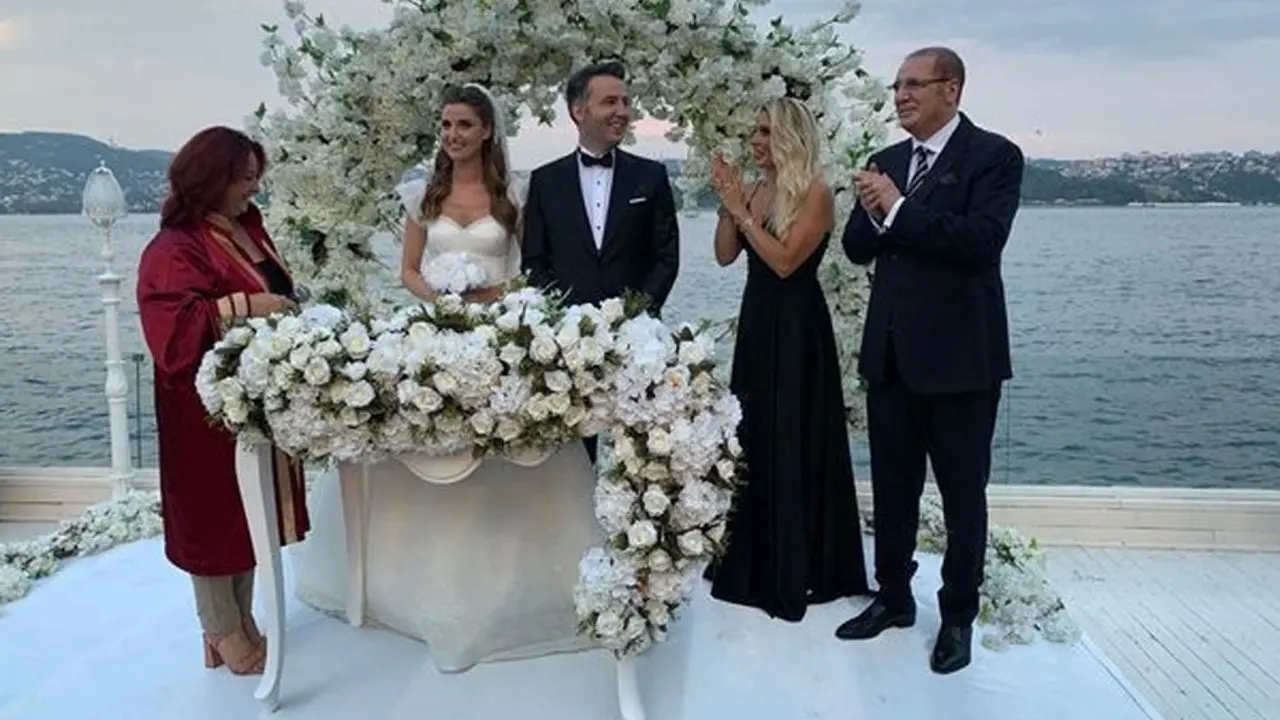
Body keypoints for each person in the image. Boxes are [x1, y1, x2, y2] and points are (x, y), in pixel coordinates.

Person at [291, 83, 604, 673]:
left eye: (463, 125)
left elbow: (528, 271)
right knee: (426, 442)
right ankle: (405, 585)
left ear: (486, 131)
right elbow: (409, 271)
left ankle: (517, 581)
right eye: (446, 125)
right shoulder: (423, 195)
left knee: (503, 448)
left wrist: (487, 294)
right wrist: (441, 294)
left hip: (498, 333)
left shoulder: (513, 195)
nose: (453, 135)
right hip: (435, 329)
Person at [835, 46, 1024, 675]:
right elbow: (856, 248)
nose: (902, 96)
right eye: (897, 86)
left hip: (962, 361)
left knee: (963, 495)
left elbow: (980, 244)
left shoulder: (994, 156)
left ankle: (957, 617)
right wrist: (873, 211)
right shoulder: (887, 161)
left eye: (915, 84)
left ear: (953, 89)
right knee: (893, 489)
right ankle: (892, 598)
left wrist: (898, 208)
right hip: (891, 356)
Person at [135, 126, 310, 675]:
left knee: (246, 511)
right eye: (244, 178)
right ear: (212, 179)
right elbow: (172, 334)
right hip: (201, 409)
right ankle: (221, 629)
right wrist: (248, 307)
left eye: (256, 177)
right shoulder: (174, 248)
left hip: (249, 399)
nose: (254, 188)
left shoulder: (245, 228)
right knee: (212, 517)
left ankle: (240, 620)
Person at [700, 97, 870, 621]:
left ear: (790, 137)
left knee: (796, 432)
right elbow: (725, 255)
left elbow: (785, 262)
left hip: (798, 326)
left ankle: (806, 562)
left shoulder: (815, 192)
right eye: (755, 131)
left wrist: (742, 214)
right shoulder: (754, 189)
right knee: (754, 432)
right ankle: (754, 554)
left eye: (766, 132)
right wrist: (730, 204)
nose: (755, 141)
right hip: (757, 324)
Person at [520, 60, 680, 463]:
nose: (622, 111)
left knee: (645, 460)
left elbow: (665, 257)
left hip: (638, 343)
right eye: (610, 102)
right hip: (566, 347)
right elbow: (535, 262)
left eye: (625, 102)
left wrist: (635, 316)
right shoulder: (545, 181)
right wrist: (565, 323)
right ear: (579, 111)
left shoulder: (651, 177)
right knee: (569, 462)